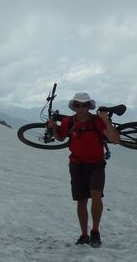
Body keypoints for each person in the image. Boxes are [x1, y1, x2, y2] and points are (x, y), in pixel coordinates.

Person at [47, 91, 120, 247]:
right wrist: (54, 128)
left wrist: (106, 121)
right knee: (81, 201)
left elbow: (115, 140)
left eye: (84, 105)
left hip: (96, 164)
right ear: (74, 107)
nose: (81, 108)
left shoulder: (97, 121)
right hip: (77, 164)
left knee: (96, 196)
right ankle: (84, 234)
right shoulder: (68, 121)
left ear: (89, 106)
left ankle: (95, 231)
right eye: (78, 105)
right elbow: (60, 138)